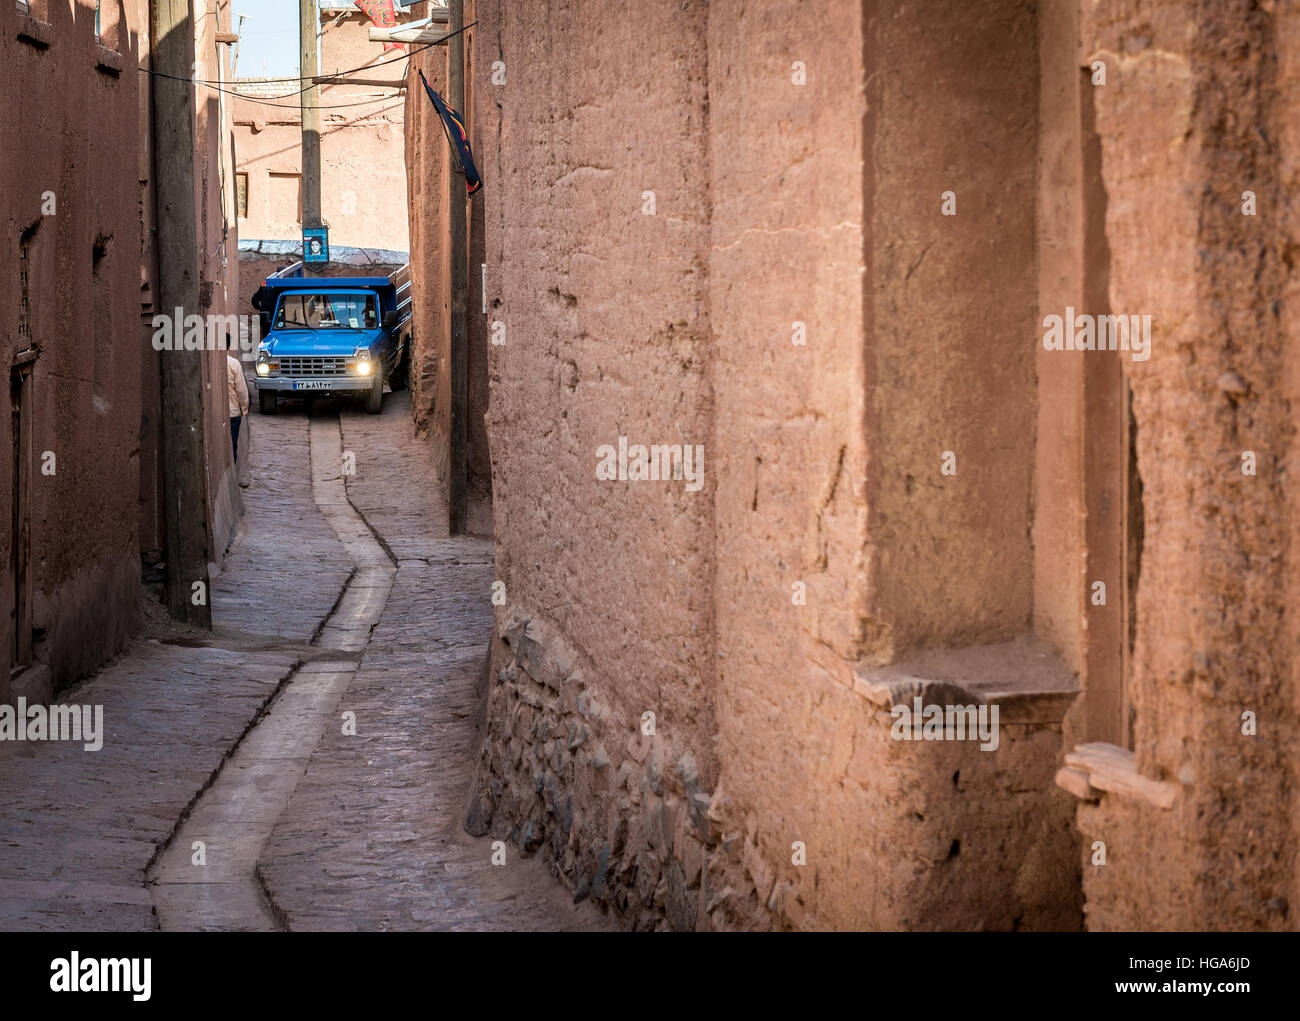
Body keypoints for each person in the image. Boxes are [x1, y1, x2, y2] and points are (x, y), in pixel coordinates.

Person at [227, 335, 250, 463]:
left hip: (215, 414)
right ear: (229, 346)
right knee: (233, 444)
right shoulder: (233, 363)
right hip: (233, 412)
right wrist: (244, 409)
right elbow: (241, 390)